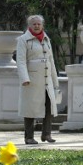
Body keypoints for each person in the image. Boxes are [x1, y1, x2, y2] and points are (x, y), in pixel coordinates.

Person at [16, 14, 59, 145]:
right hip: (32, 80)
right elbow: (21, 61)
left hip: (46, 80)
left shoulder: (46, 39)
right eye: (34, 24)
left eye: (39, 24)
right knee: (30, 108)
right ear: (29, 26)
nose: (36, 26)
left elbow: (51, 60)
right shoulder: (23, 40)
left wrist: (55, 80)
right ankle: (29, 137)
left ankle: (47, 134)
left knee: (49, 106)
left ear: (42, 25)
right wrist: (24, 78)